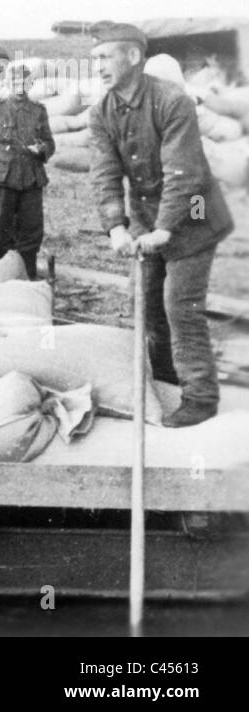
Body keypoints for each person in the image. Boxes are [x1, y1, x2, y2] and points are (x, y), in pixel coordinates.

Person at [88, 21, 235, 428]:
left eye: (104, 57)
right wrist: (116, 226)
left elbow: (183, 174)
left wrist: (166, 229)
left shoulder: (172, 101)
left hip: (197, 209)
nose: (97, 67)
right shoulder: (101, 112)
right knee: (149, 303)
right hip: (148, 216)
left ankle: (200, 396)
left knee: (180, 305)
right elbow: (103, 174)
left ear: (133, 57)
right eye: (93, 59)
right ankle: (167, 379)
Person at [0, 62, 56, 278]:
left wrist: (42, 149)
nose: (20, 86)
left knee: (31, 232)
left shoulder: (38, 111)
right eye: (15, 82)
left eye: (24, 82)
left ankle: (27, 277)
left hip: (31, 178)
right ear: (8, 84)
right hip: (3, 178)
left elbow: (49, 142)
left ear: (31, 84)